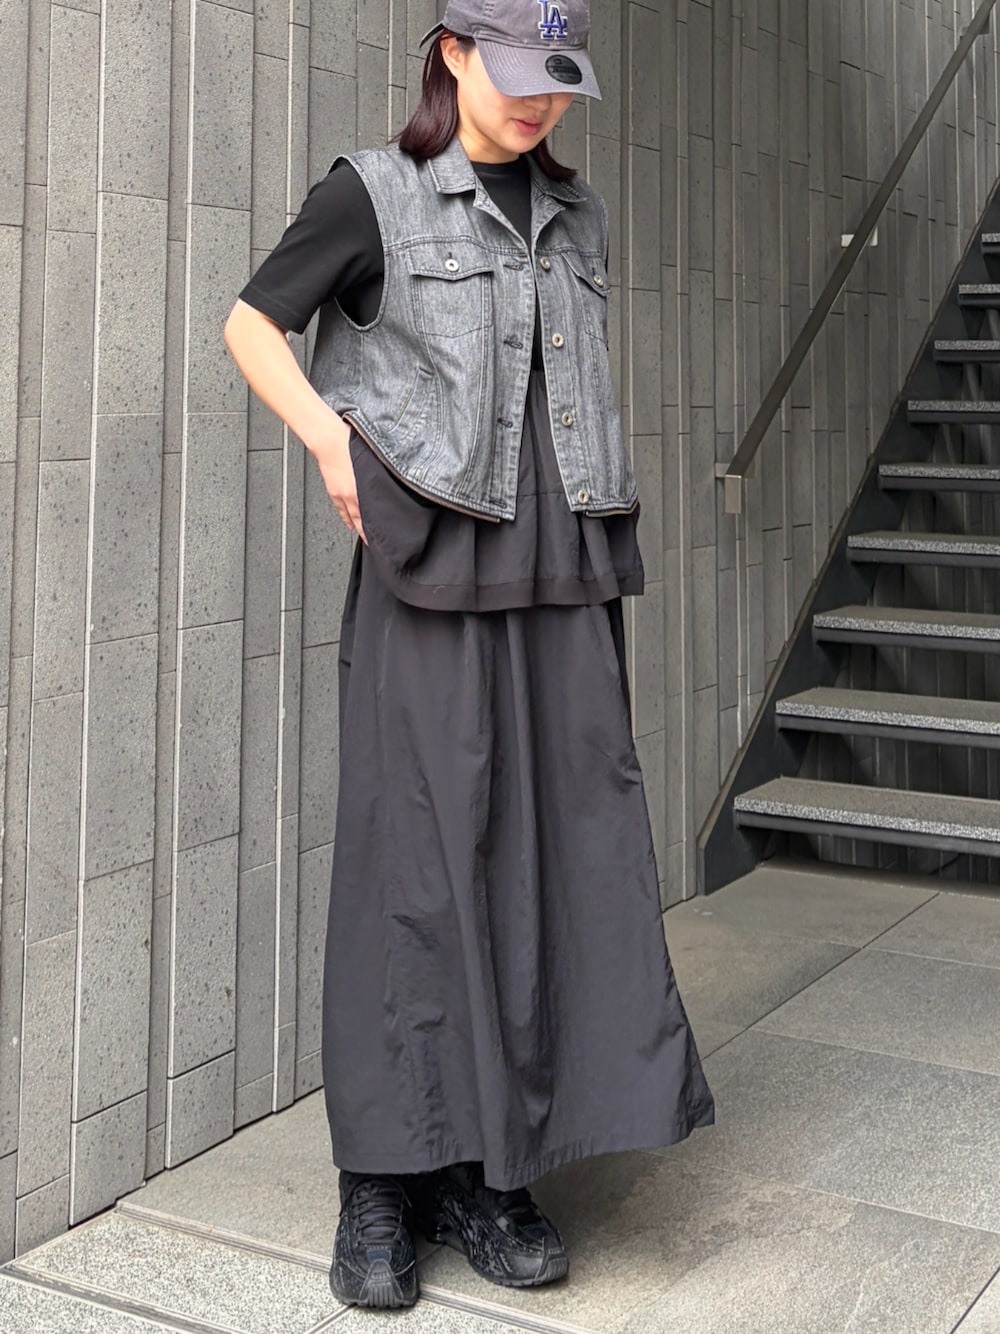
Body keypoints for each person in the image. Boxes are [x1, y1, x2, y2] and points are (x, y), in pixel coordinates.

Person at [225, 0, 714, 1312]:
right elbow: (253, 324)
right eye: (514, 75)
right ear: (450, 52)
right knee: (413, 867)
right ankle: (381, 1183)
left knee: (551, 862)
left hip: (565, 569)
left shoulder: (578, 214)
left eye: (558, 79)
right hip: (432, 566)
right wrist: (331, 443)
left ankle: (493, 1175)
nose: (539, 101)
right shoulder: (372, 194)